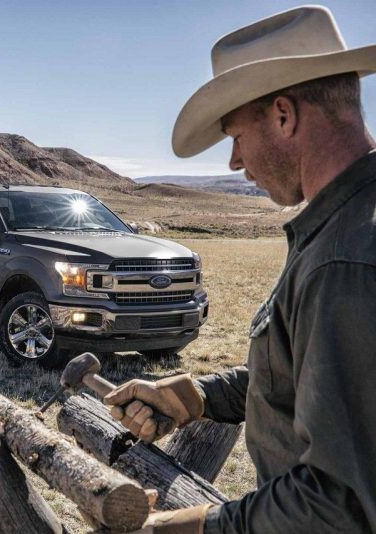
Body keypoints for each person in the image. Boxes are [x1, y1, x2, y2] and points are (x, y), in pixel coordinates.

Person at [104, 6, 376, 533]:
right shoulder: (345, 227)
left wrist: (189, 526)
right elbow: (324, 376)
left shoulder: (344, 260)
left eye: (234, 134)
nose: (232, 161)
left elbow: (338, 506)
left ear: (283, 115)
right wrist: (199, 396)